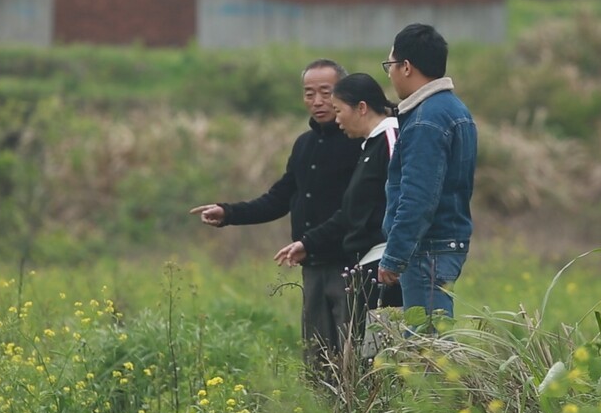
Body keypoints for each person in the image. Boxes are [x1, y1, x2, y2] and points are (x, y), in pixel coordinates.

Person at [189, 59, 362, 373]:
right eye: (309, 94)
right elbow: (279, 198)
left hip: (351, 266)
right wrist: (228, 213)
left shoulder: (361, 142)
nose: (318, 101)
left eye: (326, 92)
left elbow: (357, 210)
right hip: (312, 265)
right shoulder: (304, 145)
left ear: (344, 95)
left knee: (356, 354)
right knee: (317, 359)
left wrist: (310, 241)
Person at [273, 73, 404, 342]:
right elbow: (350, 213)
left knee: (385, 358)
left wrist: (396, 256)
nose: (337, 118)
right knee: (363, 358)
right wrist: (308, 243)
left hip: (385, 268)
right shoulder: (369, 146)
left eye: (339, 110)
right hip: (366, 267)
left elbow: (406, 199)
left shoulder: (391, 138)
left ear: (362, 108)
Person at [378, 23, 477, 321]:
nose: (391, 73)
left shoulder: (425, 121)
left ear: (406, 67)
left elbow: (418, 197)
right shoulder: (454, 109)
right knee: (433, 344)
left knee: (426, 348)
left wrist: (394, 256)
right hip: (446, 243)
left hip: (428, 249)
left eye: (390, 65)